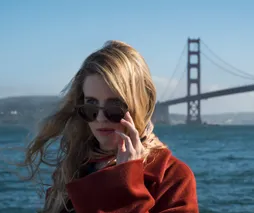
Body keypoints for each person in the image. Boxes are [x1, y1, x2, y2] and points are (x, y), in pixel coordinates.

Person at [24, 40, 199, 213]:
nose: (100, 118)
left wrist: (127, 187)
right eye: (91, 106)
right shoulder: (71, 169)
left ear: (142, 103)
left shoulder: (173, 177)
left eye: (114, 107)